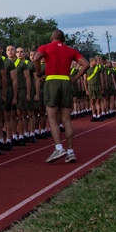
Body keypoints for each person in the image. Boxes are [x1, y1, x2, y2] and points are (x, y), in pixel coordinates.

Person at [31, 30, 89, 164]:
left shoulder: (45, 47)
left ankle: (58, 147)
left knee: (52, 118)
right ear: (64, 39)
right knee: (66, 119)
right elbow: (86, 64)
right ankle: (70, 151)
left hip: (51, 81)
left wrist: (40, 75)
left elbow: (36, 58)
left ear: (52, 38)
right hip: (65, 81)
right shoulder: (70, 50)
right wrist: (75, 78)